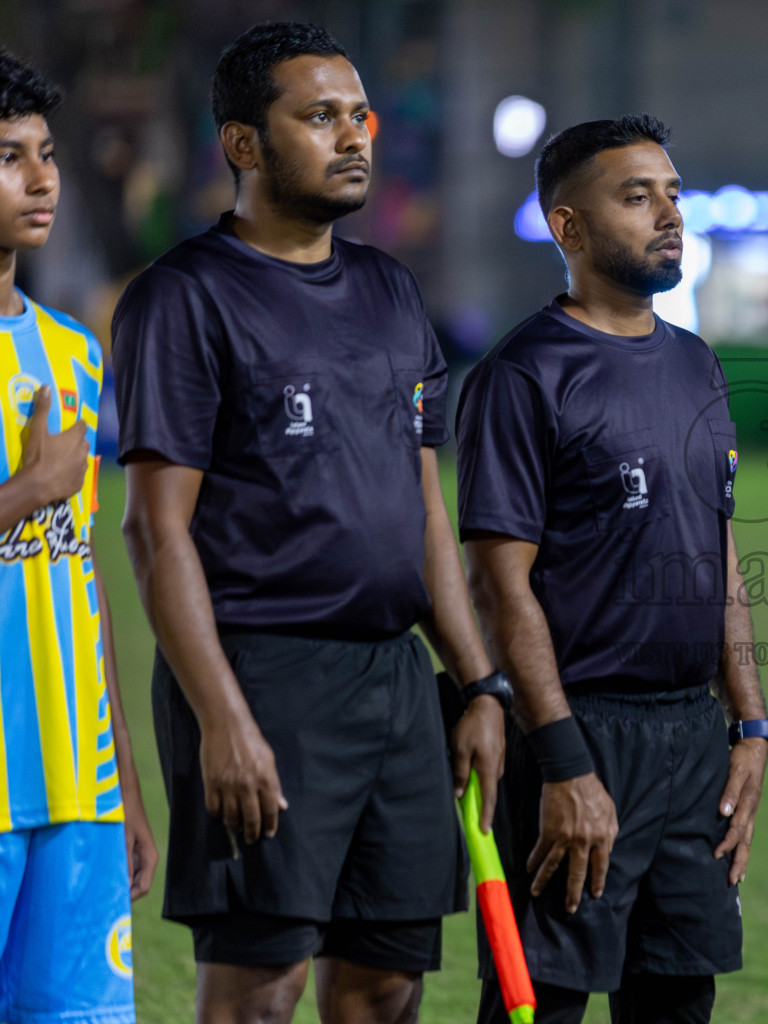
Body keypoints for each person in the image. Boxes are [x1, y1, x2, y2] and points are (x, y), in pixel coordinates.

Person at [111, 22, 505, 1024]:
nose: (353, 136)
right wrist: (223, 721)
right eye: (319, 116)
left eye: (357, 115)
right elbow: (156, 534)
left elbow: (424, 509)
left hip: (395, 686)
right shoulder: (185, 298)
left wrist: (478, 683)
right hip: (262, 676)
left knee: (385, 989)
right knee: (259, 991)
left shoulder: (390, 292)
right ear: (245, 143)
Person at [457, 114, 768, 1024]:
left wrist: (749, 725)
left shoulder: (696, 365)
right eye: (636, 197)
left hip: (692, 739)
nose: (668, 214)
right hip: (580, 732)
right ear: (569, 227)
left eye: (673, 194)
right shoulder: (524, 376)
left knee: (679, 999)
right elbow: (499, 584)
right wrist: (562, 763)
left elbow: (719, 562)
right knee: (541, 1005)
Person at [0, 48, 157, 1024]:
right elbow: (44, 503)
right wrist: (31, 487)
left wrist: (126, 784)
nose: (42, 176)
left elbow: (82, 574)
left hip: (76, 780)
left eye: (46, 152)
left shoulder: (73, 351)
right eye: (10, 156)